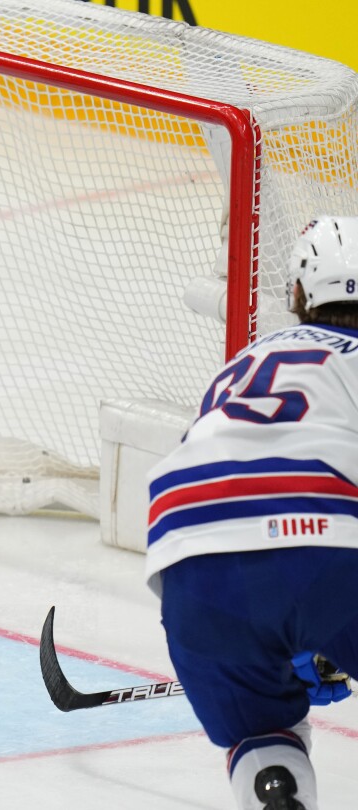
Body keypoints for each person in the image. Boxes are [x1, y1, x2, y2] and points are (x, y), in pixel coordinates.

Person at [146, 216, 358, 810]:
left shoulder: (242, 363)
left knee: (266, 736)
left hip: (193, 564)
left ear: (296, 295)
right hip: (325, 547)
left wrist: (298, 637)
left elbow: (216, 503)